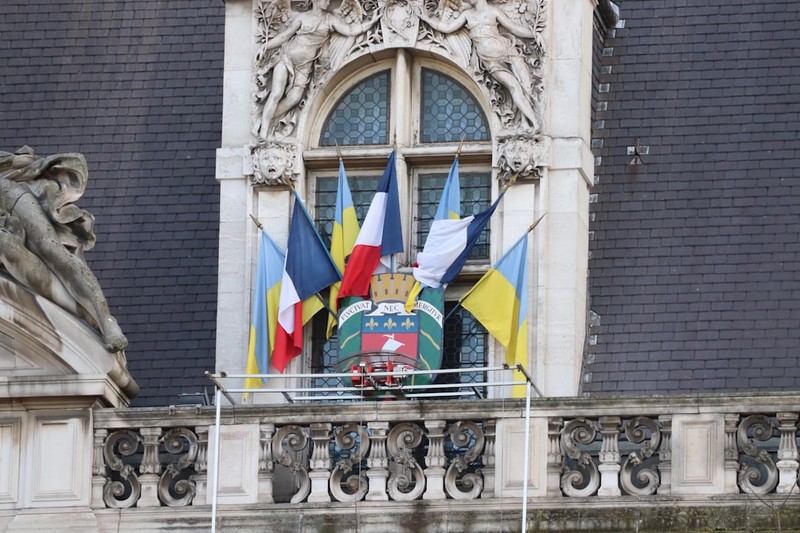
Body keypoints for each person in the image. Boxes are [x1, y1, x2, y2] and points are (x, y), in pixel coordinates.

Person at [0, 147, 128, 352]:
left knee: (49, 247)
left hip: (6, 195)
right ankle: (83, 314)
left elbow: (12, 164)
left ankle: (106, 321)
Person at [255, 0, 380, 139]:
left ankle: (264, 118)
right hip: (286, 58)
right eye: (324, 0)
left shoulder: (329, 19)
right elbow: (284, 36)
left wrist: (370, 22)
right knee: (277, 93)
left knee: (294, 98)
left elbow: (350, 30)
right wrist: (265, 47)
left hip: (304, 67)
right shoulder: (303, 17)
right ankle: (264, 132)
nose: (327, 2)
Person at [418, 0, 541, 131]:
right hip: (491, 62)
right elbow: (447, 28)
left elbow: (514, 28)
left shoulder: (493, 11)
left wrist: (535, 34)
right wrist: (426, 18)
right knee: (514, 86)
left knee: (526, 85)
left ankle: (526, 122)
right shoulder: (467, 15)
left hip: (508, 50)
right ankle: (534, 123)